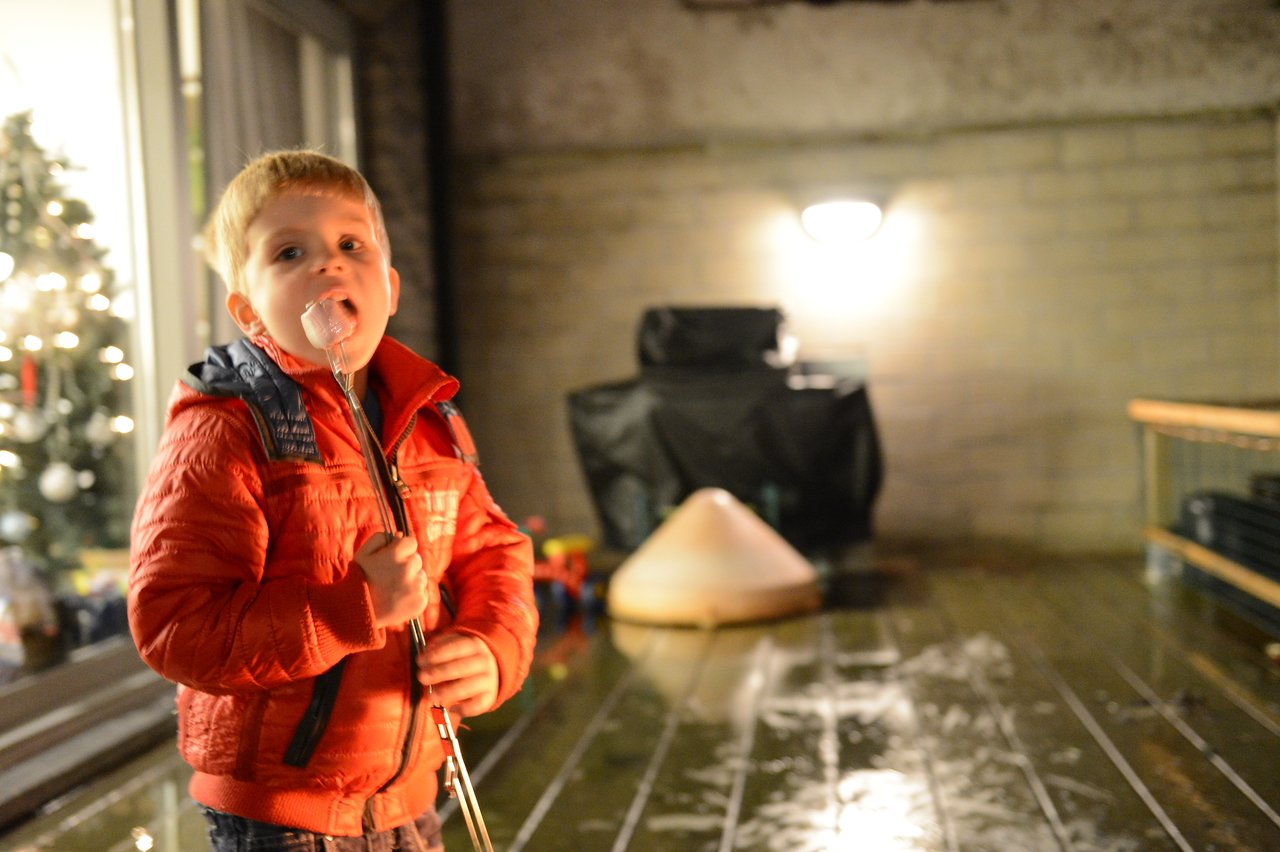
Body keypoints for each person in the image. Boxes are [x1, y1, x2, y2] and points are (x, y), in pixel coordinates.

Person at [128, 149, 538, 850]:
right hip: (280, 813)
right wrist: (351, 609)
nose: (329, 263)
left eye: (352, 245)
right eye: (290, 252)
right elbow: (175, 626)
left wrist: (493, 647)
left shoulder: (426, 418)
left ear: (390, 286)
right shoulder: (227, 430)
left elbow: (494, 552)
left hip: (408, 793)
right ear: (249, 311)